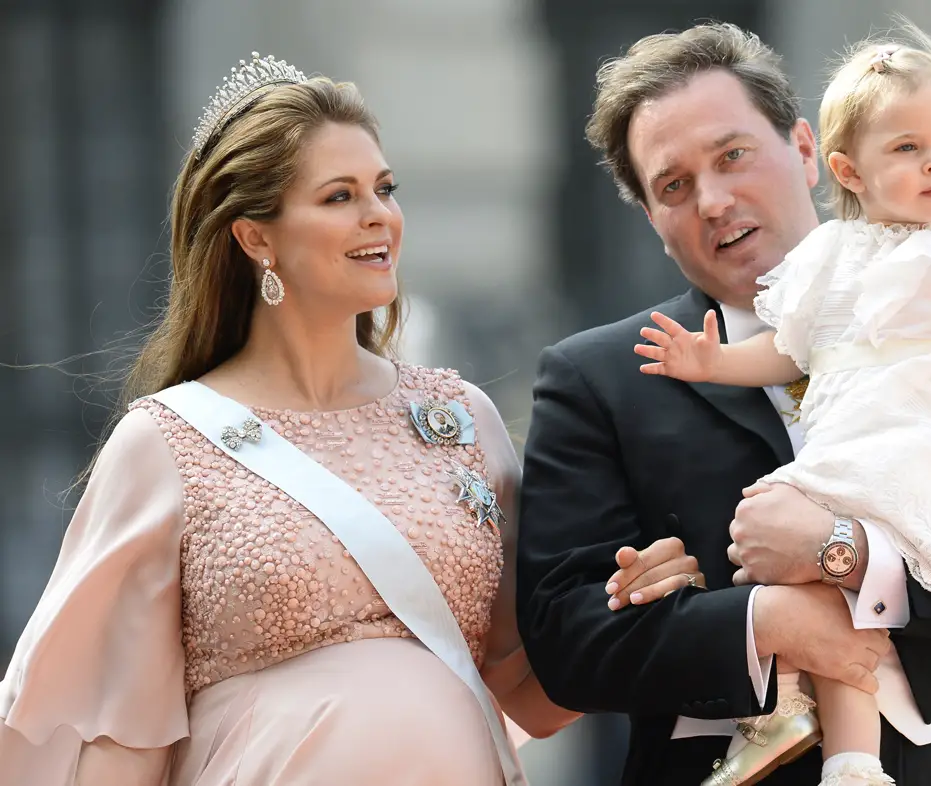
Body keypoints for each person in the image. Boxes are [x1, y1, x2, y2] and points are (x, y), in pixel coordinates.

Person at [0, 53, 701, 786]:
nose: (379, 215)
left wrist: (623, 610)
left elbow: (530, 690)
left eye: (384, 189)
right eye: (338, 196)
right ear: (255, 238)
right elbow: (122, 739)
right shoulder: (167, 443)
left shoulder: (463, 419)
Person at [516, 21, 931, 786]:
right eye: (674, 186)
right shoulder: (600, 378)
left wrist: (848, 558)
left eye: (733, 155)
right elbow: (566, 646)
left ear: (809, 151)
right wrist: (746, 620)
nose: (713, 200)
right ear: (651, 215)